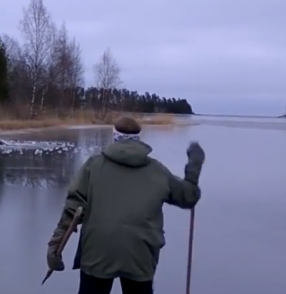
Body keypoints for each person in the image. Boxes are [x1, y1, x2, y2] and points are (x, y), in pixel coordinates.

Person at [46, 116, 205, 294]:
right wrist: (194, 166)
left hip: (98, 251)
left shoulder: (94, 166)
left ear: (114, 136)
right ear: (138, 138)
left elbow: (73, 210)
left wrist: (55, 246)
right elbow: (188, 197)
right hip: (140, 253)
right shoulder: (157, 171)